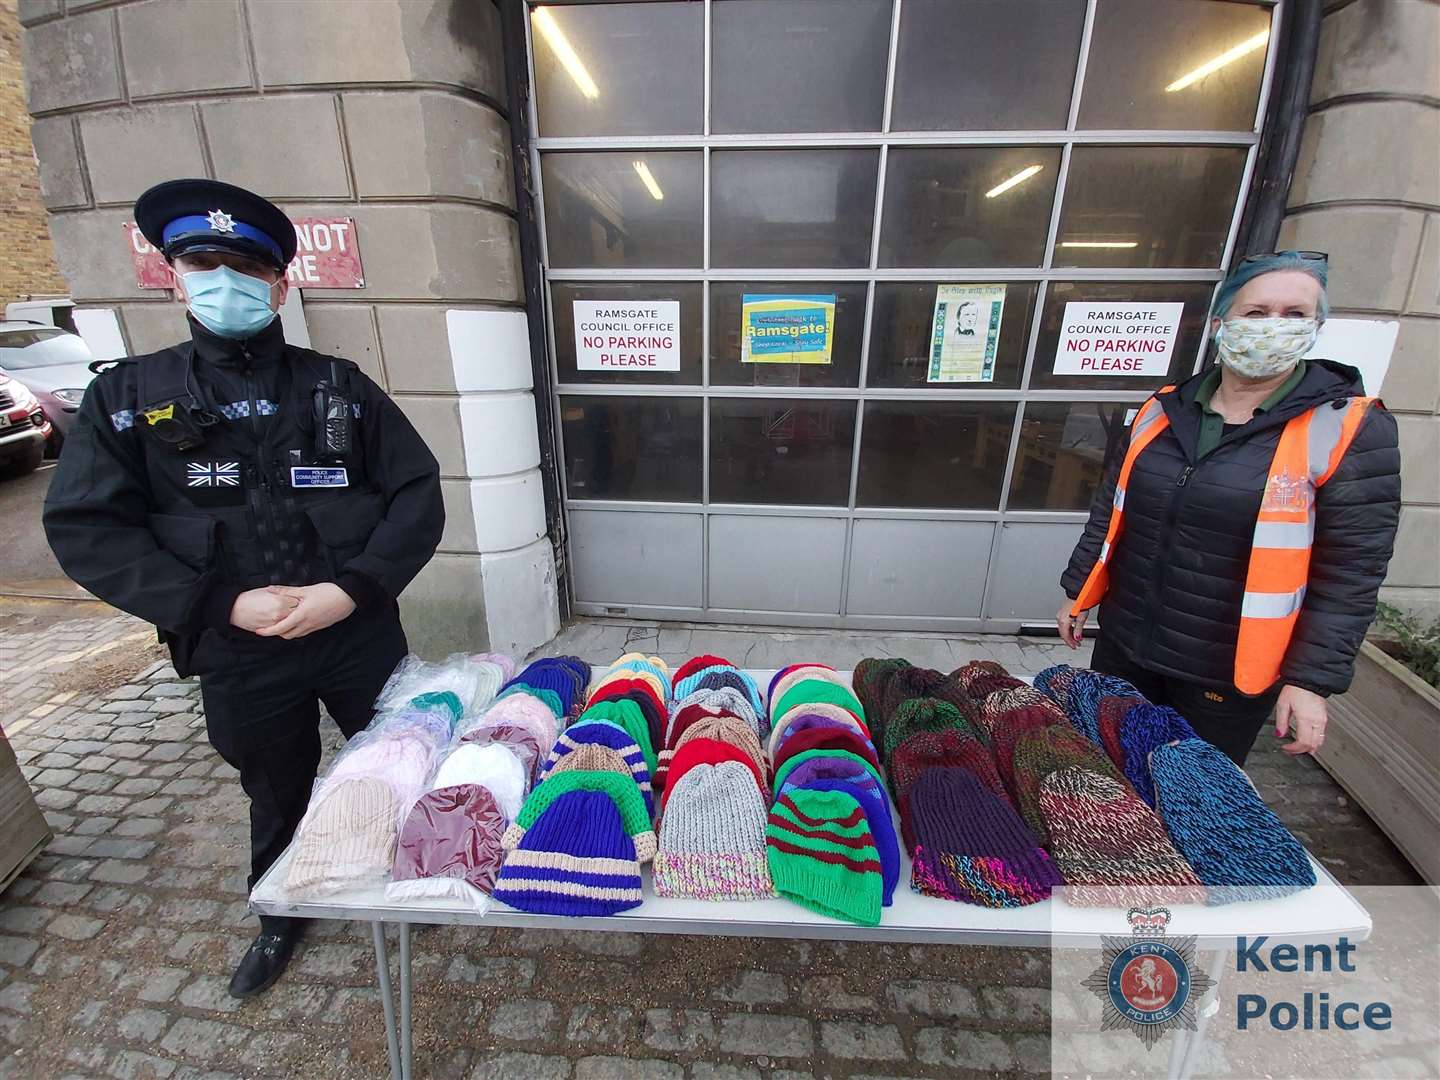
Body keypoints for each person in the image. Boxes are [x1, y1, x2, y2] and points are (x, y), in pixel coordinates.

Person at [44, 179, 445, 997]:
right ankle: (281, 908)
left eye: (247, 265)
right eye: (203, 261)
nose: (224, 279)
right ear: (174, 274)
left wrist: (354, 589)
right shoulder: (126, 399)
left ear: (280, 284)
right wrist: (218, 604)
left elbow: (417, 493)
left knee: (403, 759)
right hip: (237, 647)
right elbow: (87, 527)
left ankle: (407, 871)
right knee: (273, 783)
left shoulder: (339, 386)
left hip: (354, 633)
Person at [1056, 251, 1400, 767]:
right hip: (1128, 644)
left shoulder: (1345, 427)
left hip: (1227, 670)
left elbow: (1352, 571)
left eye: (1294, 315)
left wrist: (1311, 681)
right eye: (1256, 313)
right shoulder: (1165, 409)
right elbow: (1113, 508)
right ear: (1221, 324)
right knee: (1110, 773)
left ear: (1317, 327)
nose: (1273, 327)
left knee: (1193, 797)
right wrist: (1078, 592)